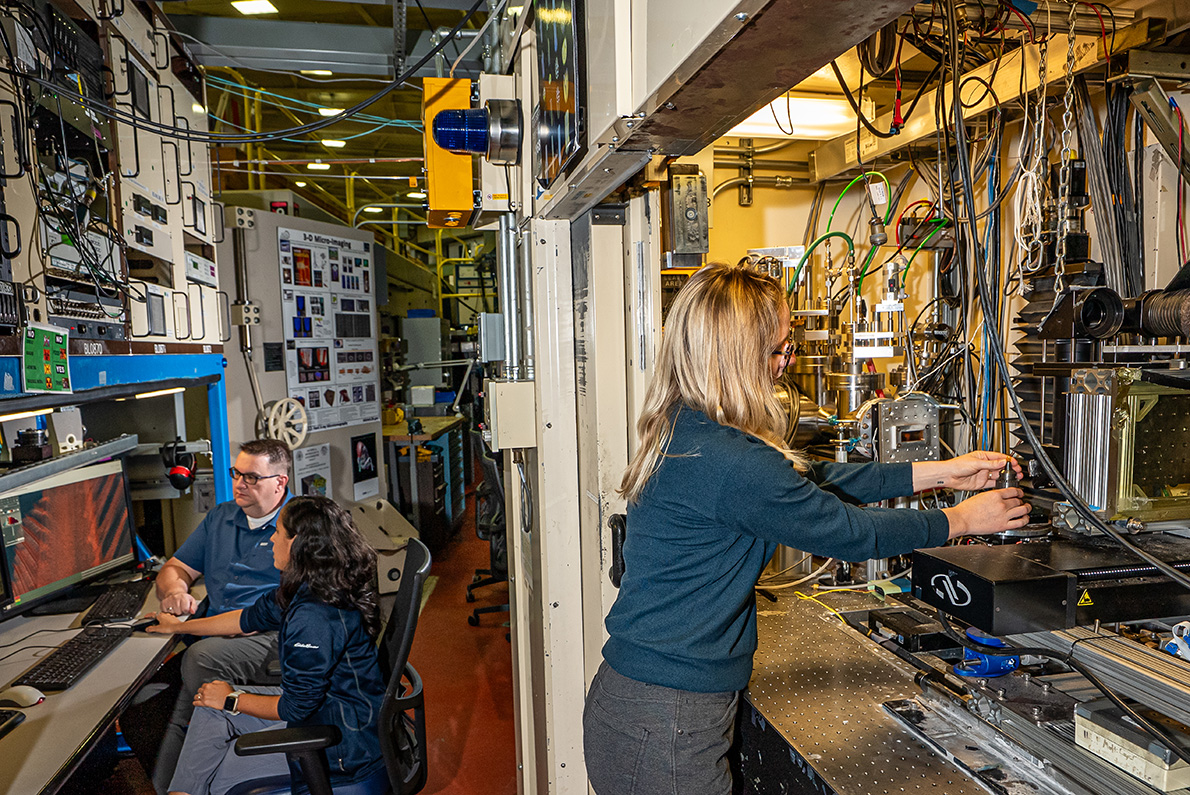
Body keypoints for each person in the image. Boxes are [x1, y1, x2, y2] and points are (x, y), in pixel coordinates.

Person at [582, 263, 1030, 795]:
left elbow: (808, 479)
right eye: (778, 350)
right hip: (665, 718)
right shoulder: (729, 460)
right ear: (735, 359)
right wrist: (959, 520)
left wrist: (937, 472)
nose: (786, 363)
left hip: (651, 705)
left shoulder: (692, 426)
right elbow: (844, 531)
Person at [147, 496, 387, 795]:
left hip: (341, 749)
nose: (272, 538)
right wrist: (179, 626)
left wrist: (233, 698)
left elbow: (295, 707)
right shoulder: (310, 584)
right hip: (330, 712)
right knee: (209, 706)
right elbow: (247, 619)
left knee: (217, 779)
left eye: (277, 532)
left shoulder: (314, 615)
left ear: (296, 543)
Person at [138, 439, 295, 793]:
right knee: (145, 700)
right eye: (236, 474)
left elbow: (265, 616)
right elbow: (175, 568)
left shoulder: (295, 529)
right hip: (215, 630)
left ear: (279, 483)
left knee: (198, 665)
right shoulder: (221, 517)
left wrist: (185, 627)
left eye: (251, 477)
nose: (240, 483)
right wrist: (176, 590)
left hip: (263, 637)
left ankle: (183, 784)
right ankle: (179, 781)